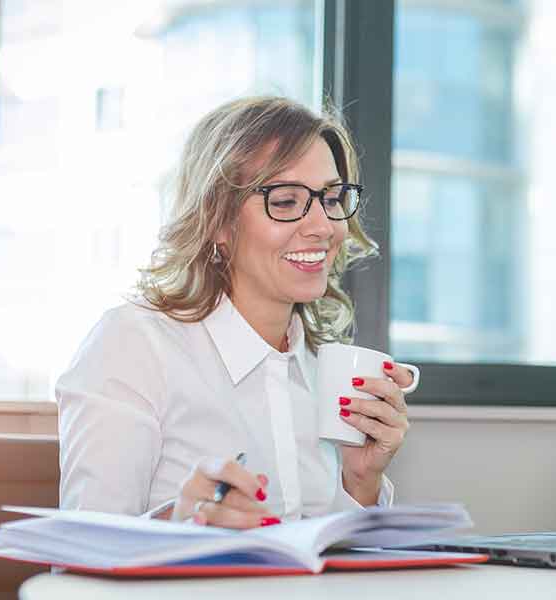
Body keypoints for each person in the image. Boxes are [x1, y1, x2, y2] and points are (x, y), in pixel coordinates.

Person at [56, 96, 414, 529]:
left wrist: (359, 482)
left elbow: (328, 557)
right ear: (218, 221)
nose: (324, 226)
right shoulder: (132, 345)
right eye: (286, 201)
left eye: (334, 198)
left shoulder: (324, 369)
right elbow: (80, 552)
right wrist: (181, 526)